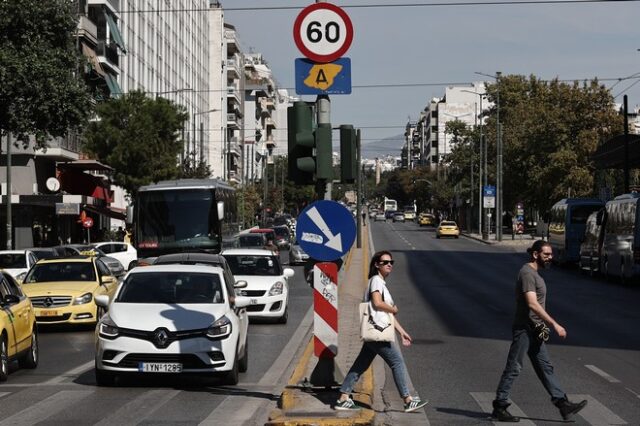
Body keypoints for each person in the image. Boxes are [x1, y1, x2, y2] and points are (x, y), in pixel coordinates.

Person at [492, 240, 587, 422]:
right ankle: (500, 406)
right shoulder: (527, 273)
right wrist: (554, 324)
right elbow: (532, 304)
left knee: (545, 367)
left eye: (551, 254)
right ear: (535, 254)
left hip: (535, 328)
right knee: (514, 366)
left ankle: (562, 404)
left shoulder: (535, 273)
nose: (550, 258)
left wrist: (543, 326)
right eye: (547, 255)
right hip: (525, 328)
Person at [335, 250, 428, 413]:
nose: (389, 264)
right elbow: (378, 304)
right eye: (385, 262)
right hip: (377, 332)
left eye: (391, 262)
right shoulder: (377, 281)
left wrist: (401, 331)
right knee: (397, 362)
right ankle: (407, 400)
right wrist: (393, 308)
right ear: (377, 265)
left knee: (360, 364)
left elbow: (387, 315)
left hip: (375, 330)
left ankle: (343, 397)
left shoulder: (379, 282)